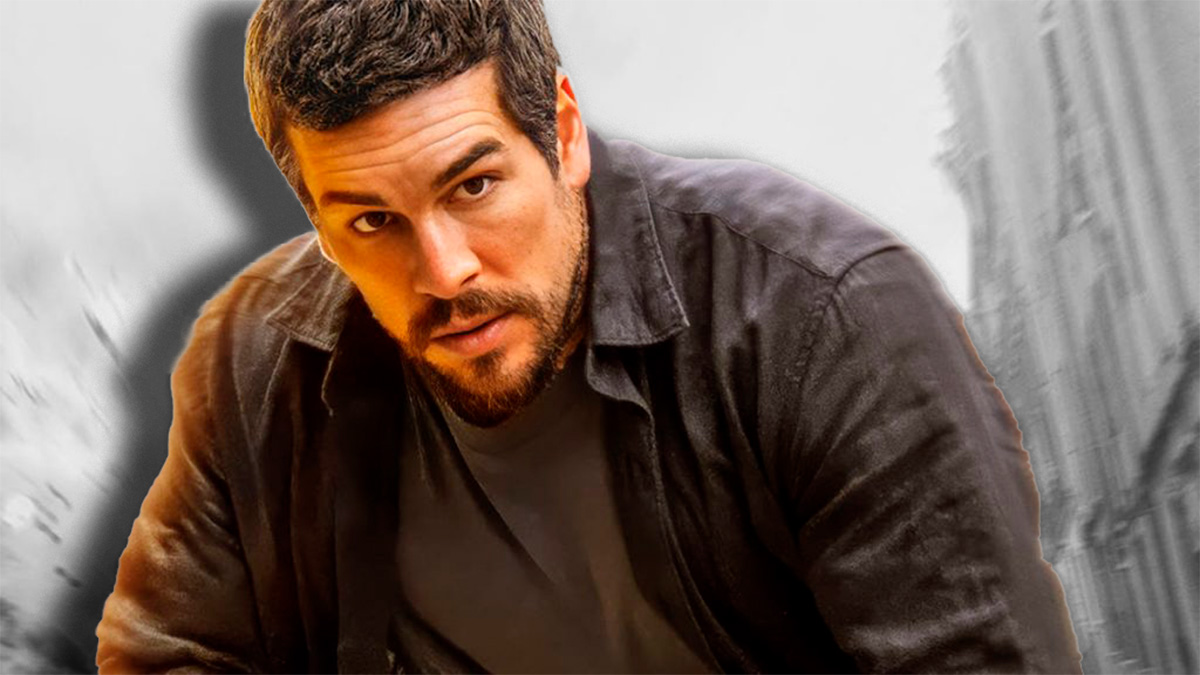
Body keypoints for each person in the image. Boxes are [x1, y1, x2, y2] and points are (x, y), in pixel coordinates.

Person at [96, 0, 1082, 672]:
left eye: (474, 185)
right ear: (315, 221)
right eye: (371, 221)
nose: (443, 271)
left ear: (564, 133)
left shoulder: (828, 315)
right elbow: (173, 654)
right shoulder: (252, 361)